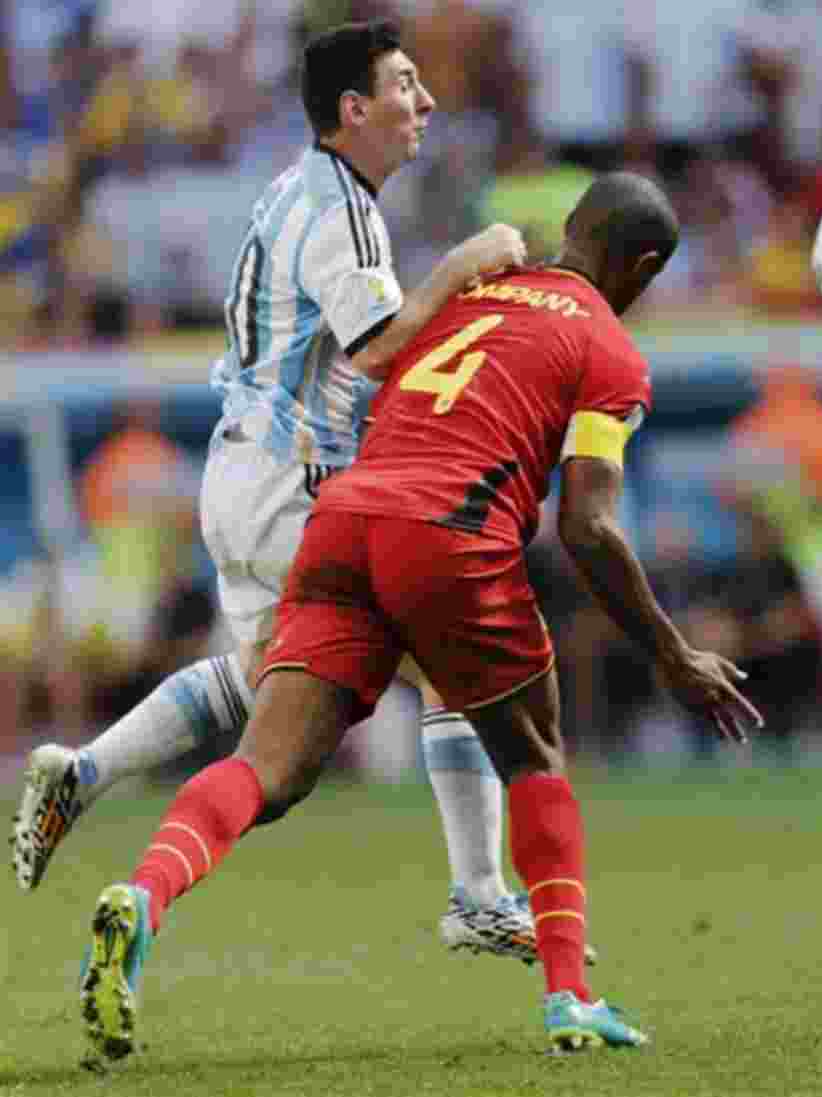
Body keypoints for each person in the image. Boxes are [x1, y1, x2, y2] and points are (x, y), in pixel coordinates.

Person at [77, 171, 762, 1063]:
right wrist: (672, 652)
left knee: (267, 765)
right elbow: (587, 526)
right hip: (451, 534)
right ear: (643, 266)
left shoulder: (473, 296)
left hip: (345, 517)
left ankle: (144, 893)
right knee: (533, 750)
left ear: (569, 229)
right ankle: (569, 996)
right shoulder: (611, 353)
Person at [12, 21, 537, 962]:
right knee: (454, 658)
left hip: (240, 470)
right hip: (297, 479)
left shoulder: (300, 189)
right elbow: (378, 346)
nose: (426, 103)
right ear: (354, 109)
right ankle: (480, 893)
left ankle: (84, 772)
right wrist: (463, 266)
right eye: (406, 85)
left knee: (263, 679)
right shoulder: (342, 208)